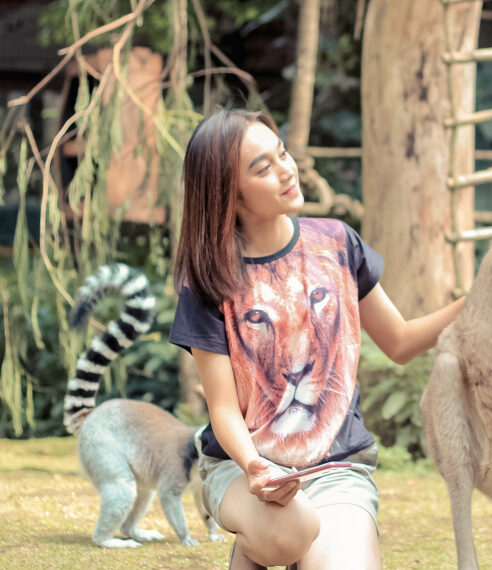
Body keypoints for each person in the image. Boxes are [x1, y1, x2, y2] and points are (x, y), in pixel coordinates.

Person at [169, 108, 464, 569]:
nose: (287, 170)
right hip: (243, 470)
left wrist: (479, 299)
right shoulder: (210, 278)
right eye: (262, 167)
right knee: (289, 532)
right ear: (230, 194)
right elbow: (223, 407)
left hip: (337, 470)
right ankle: (258, 535)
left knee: (306, 531)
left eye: (281, 153)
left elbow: (401, 341)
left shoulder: (339, 244)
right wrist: (254, 468)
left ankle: (259, 543)